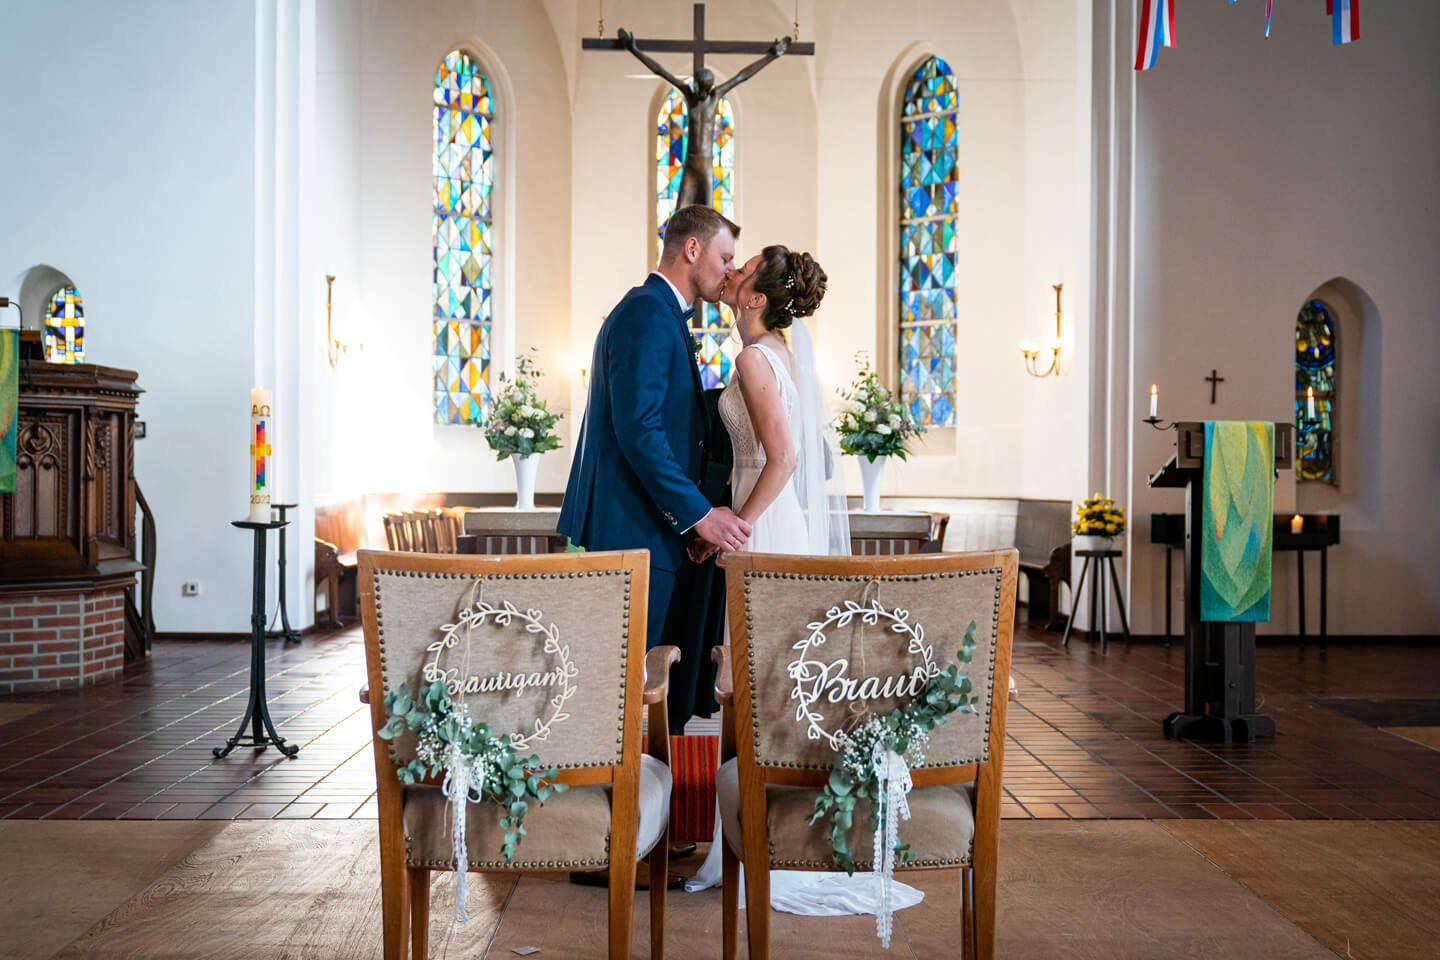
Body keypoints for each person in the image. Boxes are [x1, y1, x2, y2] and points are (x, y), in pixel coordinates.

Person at [685, 247, 919, 917]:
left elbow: (784, 459)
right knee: (772, 681)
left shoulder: (755, 358)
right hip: (770, 520)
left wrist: (735, 528)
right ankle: (768, 835)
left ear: (755, 298)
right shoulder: (782, 354)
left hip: (764, 526)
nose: (732, 273)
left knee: (761, 684)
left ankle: (769, 844)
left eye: (745, 268)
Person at [559, 204, 753, 658]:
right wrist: (701, 515)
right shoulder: (647, 313)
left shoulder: (658, 312)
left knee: (637, 681)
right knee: (623, 683)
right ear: (691, 248)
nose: (729, 272)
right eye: (725, 258)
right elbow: (640, 430)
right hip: (631, 531)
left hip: (650, 529)